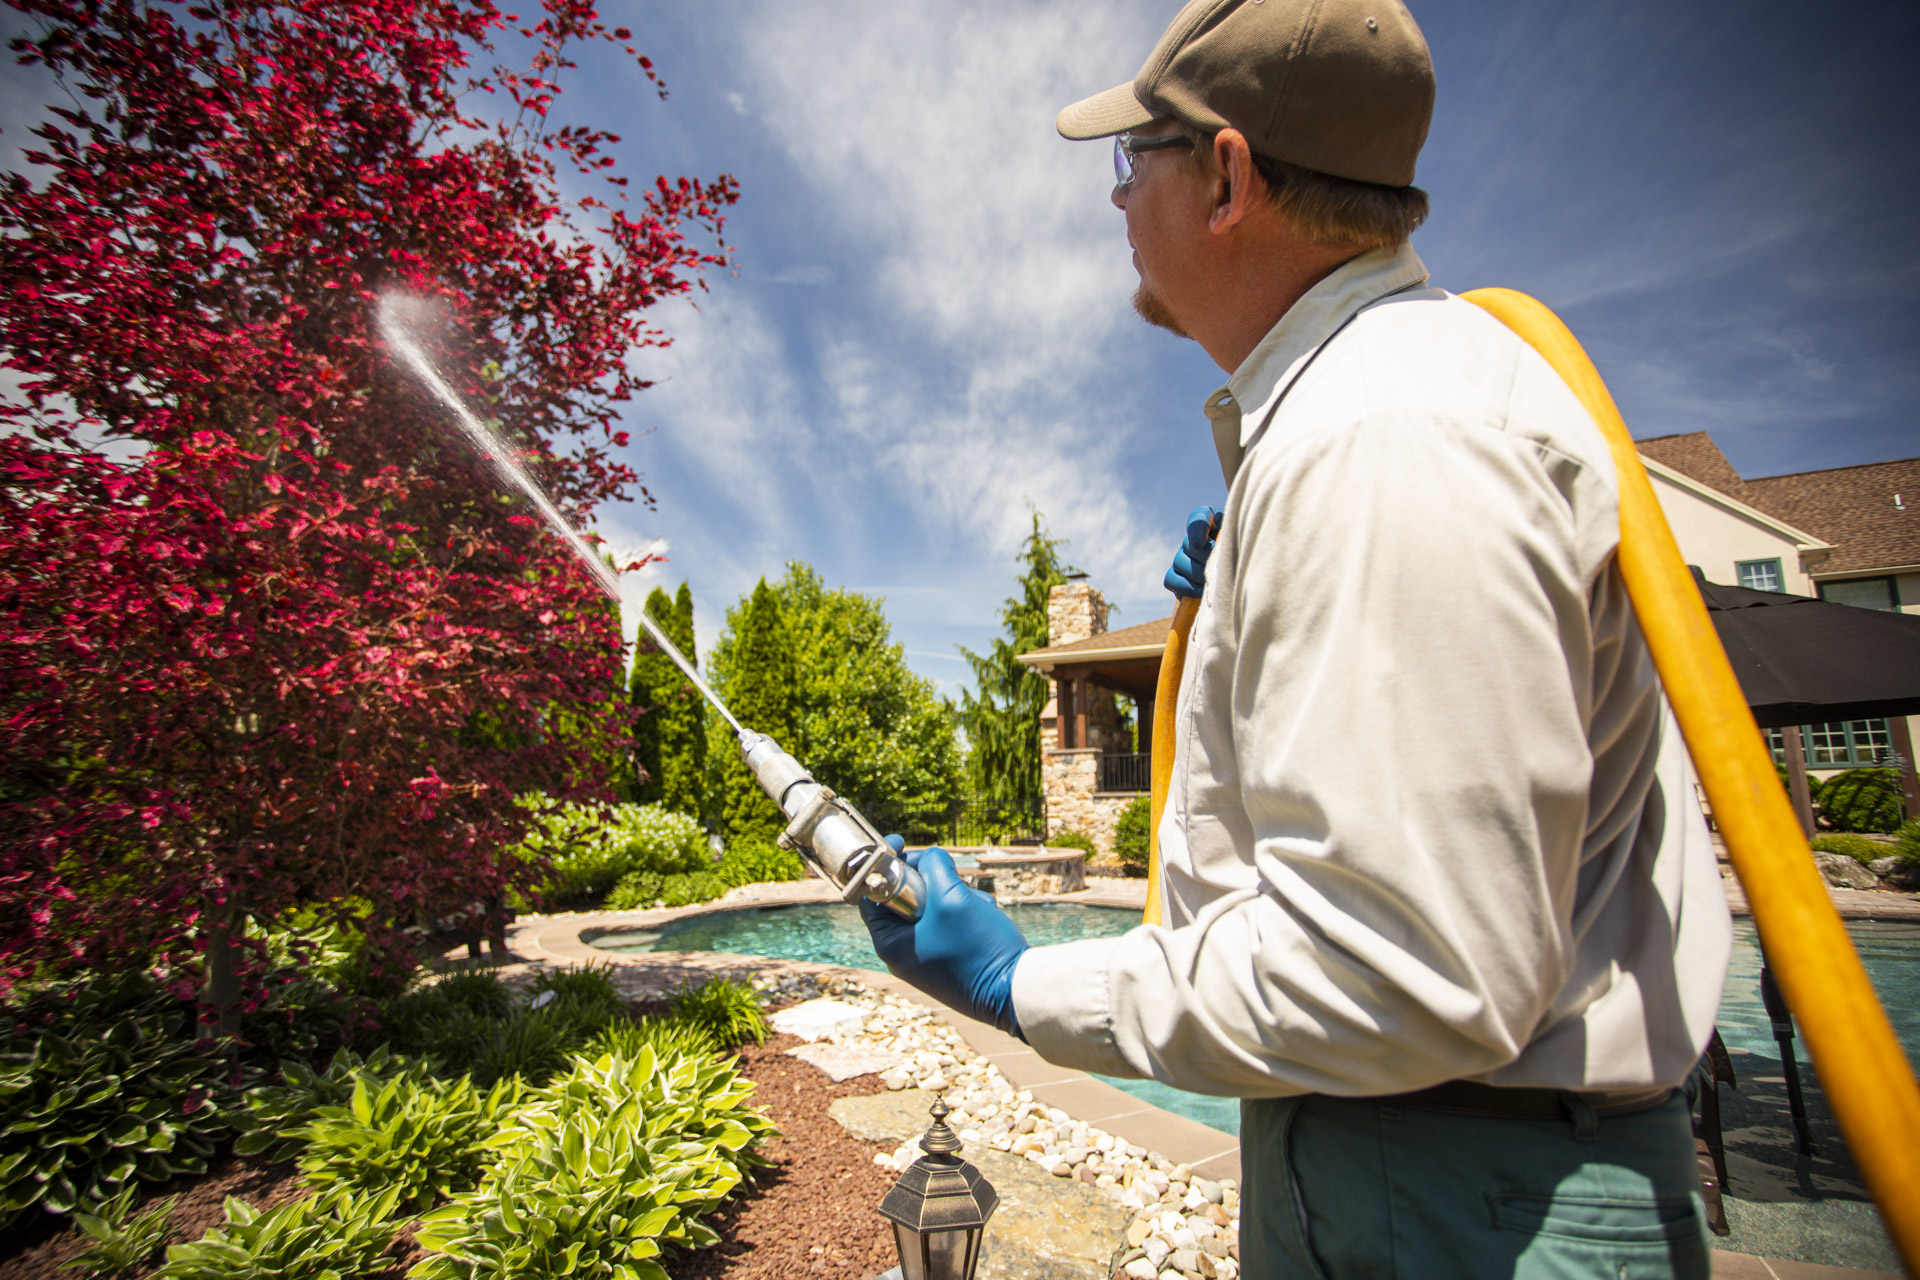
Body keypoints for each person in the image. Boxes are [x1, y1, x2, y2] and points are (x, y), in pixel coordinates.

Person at [862, 1, 1733, 1275]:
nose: (1114, 205)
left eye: (1130, 164)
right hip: (1421, 1161)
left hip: (1461, 1196)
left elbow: (1404, 974)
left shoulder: (1384, 439)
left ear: (1226, 175)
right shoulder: (1374, 416)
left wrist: (1019, 987)